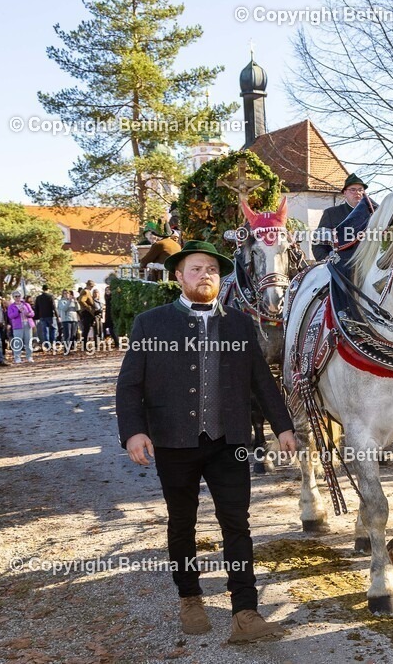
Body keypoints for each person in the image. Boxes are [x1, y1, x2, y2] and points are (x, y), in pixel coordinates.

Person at [116, 239, 298, 642]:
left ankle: (245, 613)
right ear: (179, 276)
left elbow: (261, 381)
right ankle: (190, 597)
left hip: (229, 440)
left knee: (237, 523)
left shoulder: (238, 323)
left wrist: (282, 426)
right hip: (173, 441)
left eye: (212, 269)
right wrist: (133, 431)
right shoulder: (152, 323)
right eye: (195, 269)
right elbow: (129, 385)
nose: (205, 275)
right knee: (182, 522)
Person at [312, 172, 368, 261]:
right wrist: (326, 259)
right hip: (340, 265)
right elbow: (318, 244)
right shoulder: (331, 213)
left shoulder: (372, 214)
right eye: (353, 190)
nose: (357, 193)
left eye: (360, 190)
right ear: (345, 193)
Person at [6, 291, 35, 364]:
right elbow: (10, 316)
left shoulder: (26, 304)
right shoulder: (11, 306)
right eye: (16, 296)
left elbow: (32, 313)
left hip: (27, 324)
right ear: (13, 297)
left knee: (28, 341)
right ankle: (17, 358)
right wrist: (18, 311)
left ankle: (29, 356)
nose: (17, 297)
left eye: (19, 296)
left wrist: (29, 314)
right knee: (18, 342)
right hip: (18, 325)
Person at [58, 290, 80, 355]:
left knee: (72, 335)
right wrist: (69, 301)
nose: (66, 295)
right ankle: (66, 350)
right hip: (66, 320)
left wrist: (76, 302)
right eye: (65, 294)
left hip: (74, 319)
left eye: (68, 293)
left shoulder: (73, 301)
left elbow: (78, 308)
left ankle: (70, 349)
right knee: (67, 335)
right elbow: (64, 309)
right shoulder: (61, 301)